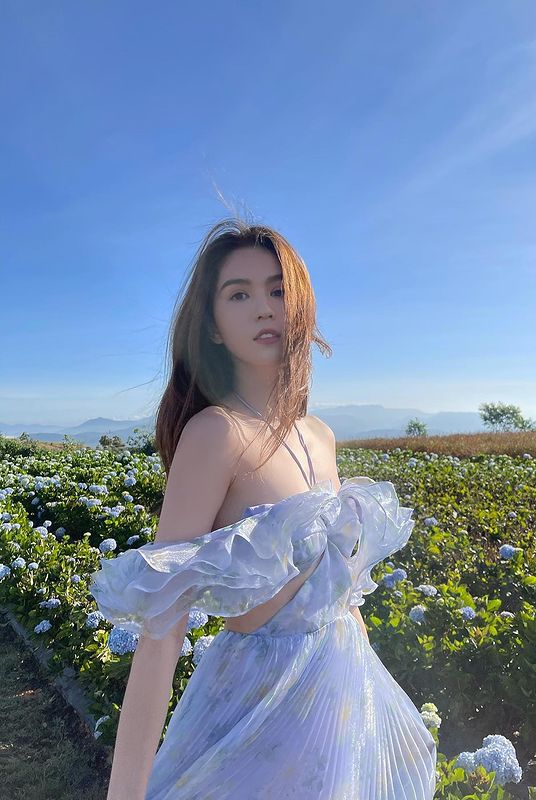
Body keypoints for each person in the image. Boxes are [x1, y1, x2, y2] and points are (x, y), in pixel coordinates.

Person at [89, 217, 438, 799]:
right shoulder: (215, 434)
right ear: (213, 326)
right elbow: (163, 627)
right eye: (239, 294)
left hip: (342, 706)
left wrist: (377, 708)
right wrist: (124, 792)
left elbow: (343, 594)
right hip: (259, 715)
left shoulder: (320, 436)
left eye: (278, 290)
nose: (263, 309)